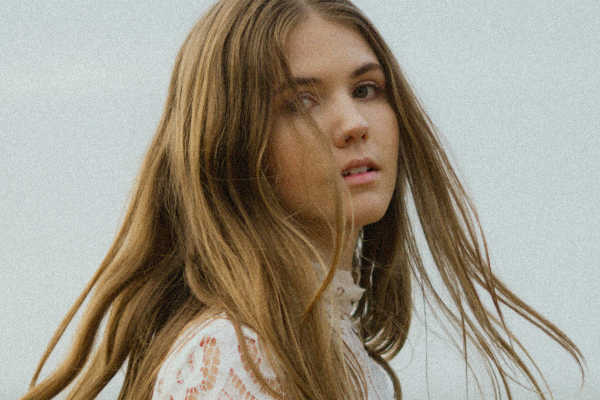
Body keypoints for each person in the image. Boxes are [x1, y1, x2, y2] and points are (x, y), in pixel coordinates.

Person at [21, 0, 584, 399]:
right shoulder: (233, 359)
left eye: (366, 89)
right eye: (300, 102)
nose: (354, 123)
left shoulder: (328, 346)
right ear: (233, 145)